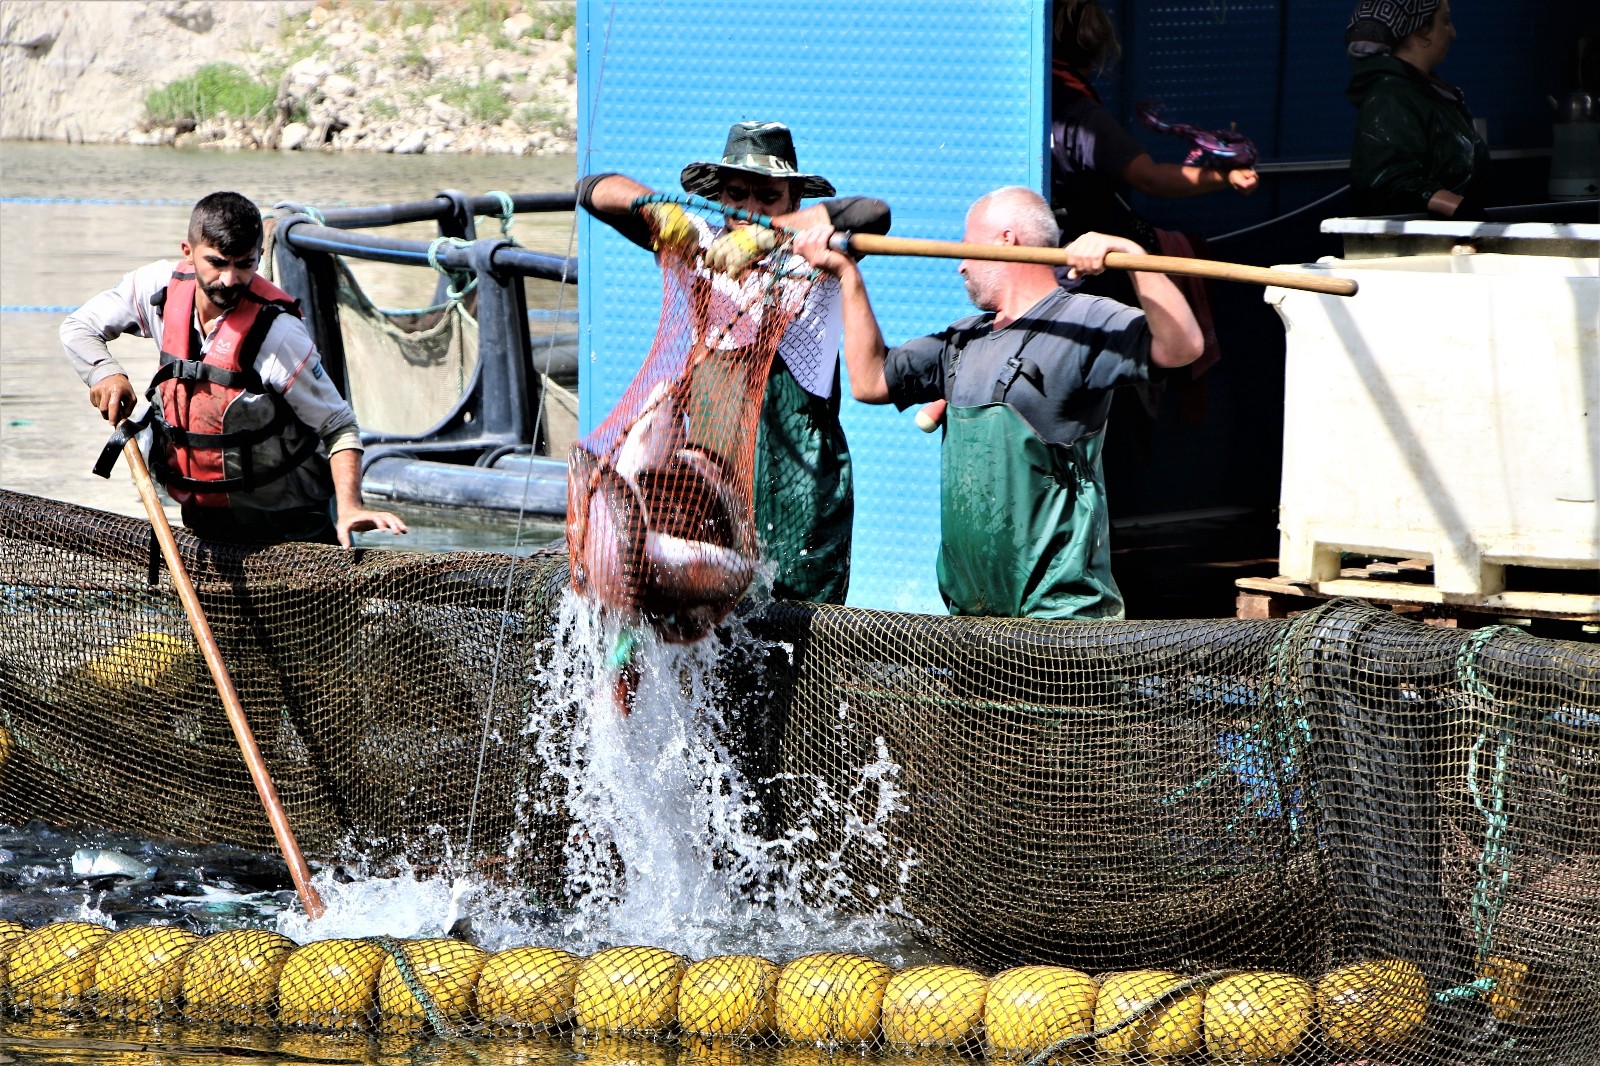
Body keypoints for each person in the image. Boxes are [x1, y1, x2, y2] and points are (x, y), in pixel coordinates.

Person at [795, 186, 1204, 621]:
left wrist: (1130, 253)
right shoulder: (962, 340)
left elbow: (1183, 346)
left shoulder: (1082, 323)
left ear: (1005, 240)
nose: (960, 266)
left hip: (1060, 622)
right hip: (973, 621)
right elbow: (870, 381)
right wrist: (847, 275)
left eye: (968, 248)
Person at [577, 121, 891, 605]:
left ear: (793, 201)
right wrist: (656, 206)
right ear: (719, 197)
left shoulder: (817, 251)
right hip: (710, 483)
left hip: (801, 490)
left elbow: (873, 212)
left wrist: (771, 237)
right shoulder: (695, 242)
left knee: (796, 645)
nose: (750, 211)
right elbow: (592, 190)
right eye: (737, 195)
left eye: (768, 197)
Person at [61, 191, 406, 548]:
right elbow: (78, 328)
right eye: (217, 262)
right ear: (188, 252)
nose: (229, 279)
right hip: (204, 521)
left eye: (244, 264)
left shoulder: (279, 334)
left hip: (290, 528)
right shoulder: (157, 289)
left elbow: (339, 426)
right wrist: (104, 371)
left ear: (258, 256)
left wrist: (350, 508)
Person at [1050, 0, 1257, 299]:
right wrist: (1226, 177)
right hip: (1081, 278)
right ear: (1094, 49)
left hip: (1035, 268)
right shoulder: (1081, 117)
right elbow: (1150, 178)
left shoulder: (1023, 98)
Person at [1345, 0, 1488, 217]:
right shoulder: (1391, 97)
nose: (1453, 33)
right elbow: (1389, 180)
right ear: (1421, 30)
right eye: (1446, 22)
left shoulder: (1433, 95)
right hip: (1419, 245)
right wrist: (1459, 208)